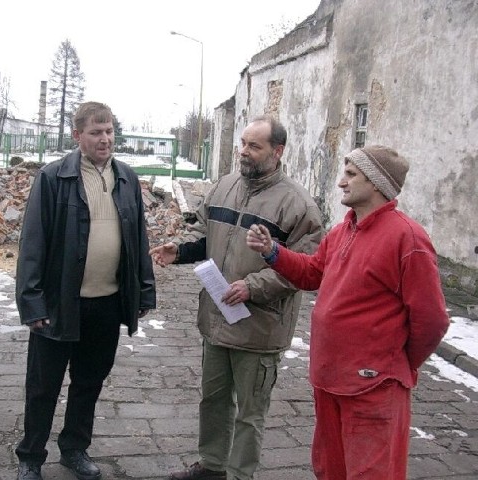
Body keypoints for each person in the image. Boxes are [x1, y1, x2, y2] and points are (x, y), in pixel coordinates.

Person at [246, 145, 450, 479]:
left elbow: (432, 320)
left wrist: (395, 363)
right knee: (330, 470)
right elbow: (313, 273)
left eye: (351, 174)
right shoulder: (342, 231)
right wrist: (273, 252)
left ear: (377, 183)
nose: (341, 182)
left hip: (373, 388)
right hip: (329, 380)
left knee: (370, 473)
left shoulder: (408, 238)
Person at [150, 116, 323, 480]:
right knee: (213, 400)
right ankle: (212, 465)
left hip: (259, 329)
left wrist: (253, 286)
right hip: (216, 318)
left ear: (277, 152)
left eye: (254, 146)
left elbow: (306, 267)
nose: (244, 152)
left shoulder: (298, 206)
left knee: (250, 413)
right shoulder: (224, 186)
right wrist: (178, 250)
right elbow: (203, 234)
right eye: (242, 143)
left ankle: (241, 474)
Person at [14, 101, 156, 480]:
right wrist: (32, 302)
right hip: (59, 303)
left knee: (89, 382)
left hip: (106, 304)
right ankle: (30, 457)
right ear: (77, 136)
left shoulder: (126, 179)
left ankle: (75, 448)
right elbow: (33, 244)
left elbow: (138, 239)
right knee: (43, 387)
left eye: (109, 131)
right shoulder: (53, 178)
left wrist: (143, 291)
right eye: (96, 132)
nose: (105, 139)